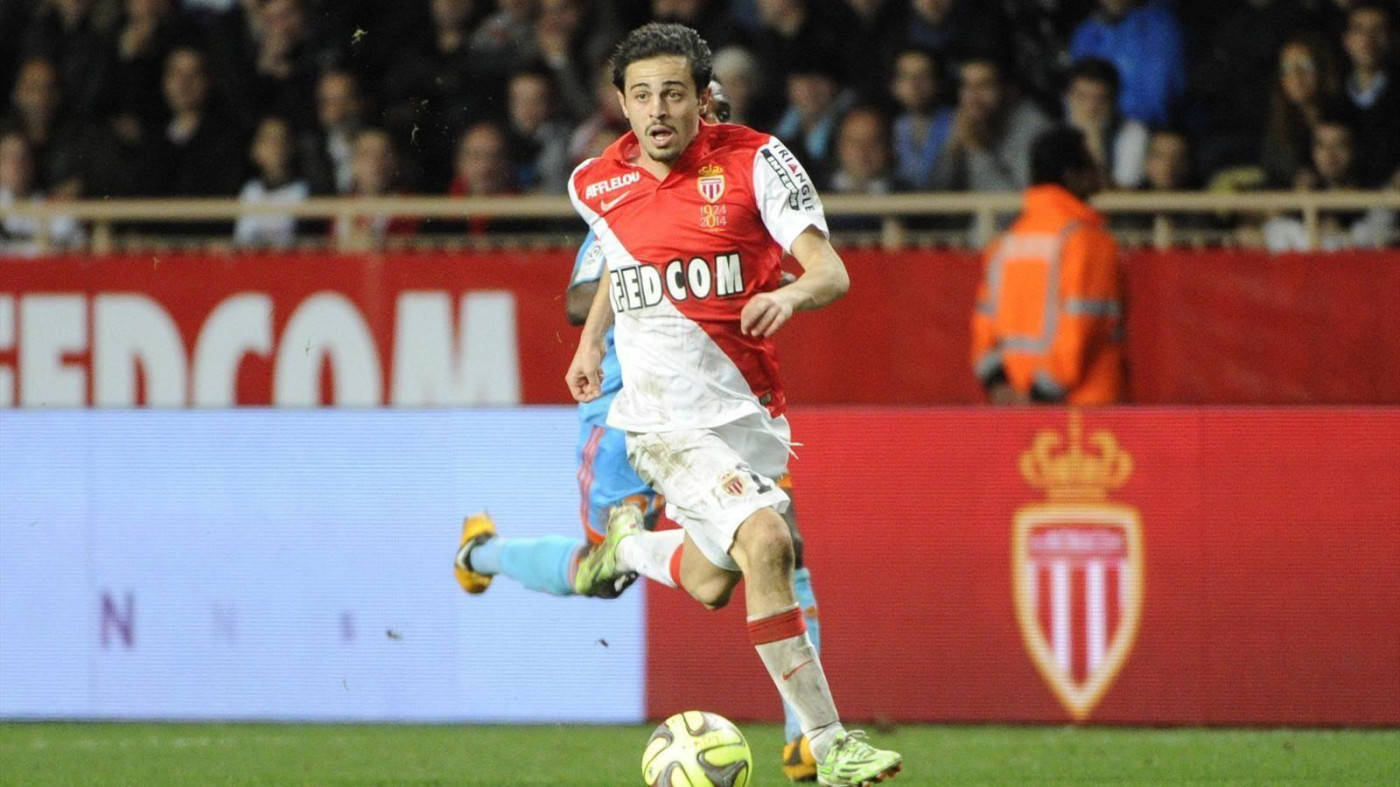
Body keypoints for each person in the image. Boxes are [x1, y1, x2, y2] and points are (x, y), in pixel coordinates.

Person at [453, 81, 830, 784]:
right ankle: (483, 551)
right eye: (698, 109)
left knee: (780, 537)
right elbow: (575, 300)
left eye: (712, 112)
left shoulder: (745, 185)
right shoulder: (632, 194)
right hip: (630, 409)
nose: (705, 123)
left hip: (719, 409)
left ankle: (805, 736)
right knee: (608, 573)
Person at [566, 22, 901, 786]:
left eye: (673, 94)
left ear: (704, 98)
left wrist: (790, 293)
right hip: (662, 421)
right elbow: (623, 267)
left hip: (747, 415)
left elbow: (831, 272)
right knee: (768, 541)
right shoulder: (595, 182)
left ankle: (628, 545)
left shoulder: (757, 163)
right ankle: (828, 741)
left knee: (716, 580)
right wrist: (591, 347)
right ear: (620, 102)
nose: (657, 110)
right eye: (642, 95)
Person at [971, 126, 1125, 405]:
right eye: (1090, 165)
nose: (1097, 172)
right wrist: (1040, 396)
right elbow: (1081, 327)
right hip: (1084, 410)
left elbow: (985, 327)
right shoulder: (1087, 241)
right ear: (1072, 176)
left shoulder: (1006, 242)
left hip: (1015, 406)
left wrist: (1000, 385)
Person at [233, 115, 309, 249]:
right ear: (255, 149)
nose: (274, 146)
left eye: (280, 139)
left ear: (290, 147)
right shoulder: (250, 190)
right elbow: (241, 239)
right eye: (267, 140)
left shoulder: (302, 191)